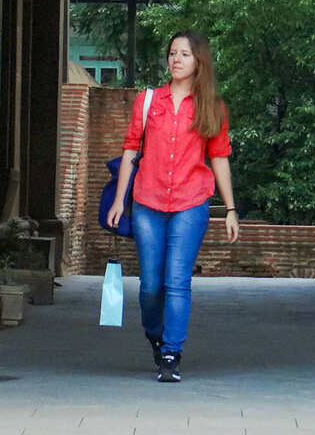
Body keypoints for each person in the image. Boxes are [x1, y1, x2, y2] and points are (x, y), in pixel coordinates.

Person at [105, 29, 239, 383]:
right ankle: (155, 334)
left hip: (190, 202)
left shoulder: (213, 107)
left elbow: (220, 158)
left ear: (199, 62)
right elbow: (130, 151)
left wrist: (230, 209)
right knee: (151, 285)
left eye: (184, 54)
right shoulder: (149, 101)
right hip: (147, 201)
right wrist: (120, 201)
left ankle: (171, 352)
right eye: (172, 53)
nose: (176, 59)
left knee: (177, 281)